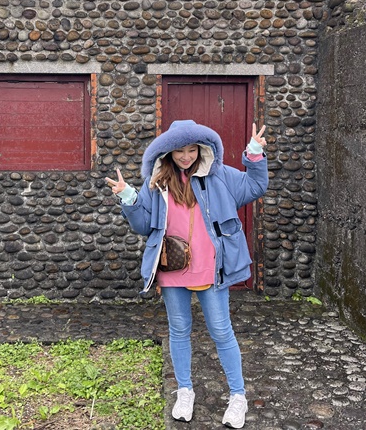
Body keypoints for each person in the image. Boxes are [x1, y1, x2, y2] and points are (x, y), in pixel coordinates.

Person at [106, 119, 268, 428]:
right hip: (172, 267)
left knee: (222, 332)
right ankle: (184, 390)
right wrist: (129, 198)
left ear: (201, 149)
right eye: (179, 150)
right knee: (179, 331)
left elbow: (256, 186)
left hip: (210, 267)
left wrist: (255, 154)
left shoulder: (219, 176)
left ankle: (238, 397)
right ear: (168, 152)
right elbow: (143, 226)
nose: (186, 156)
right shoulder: (157, 182)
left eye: (192, 149)